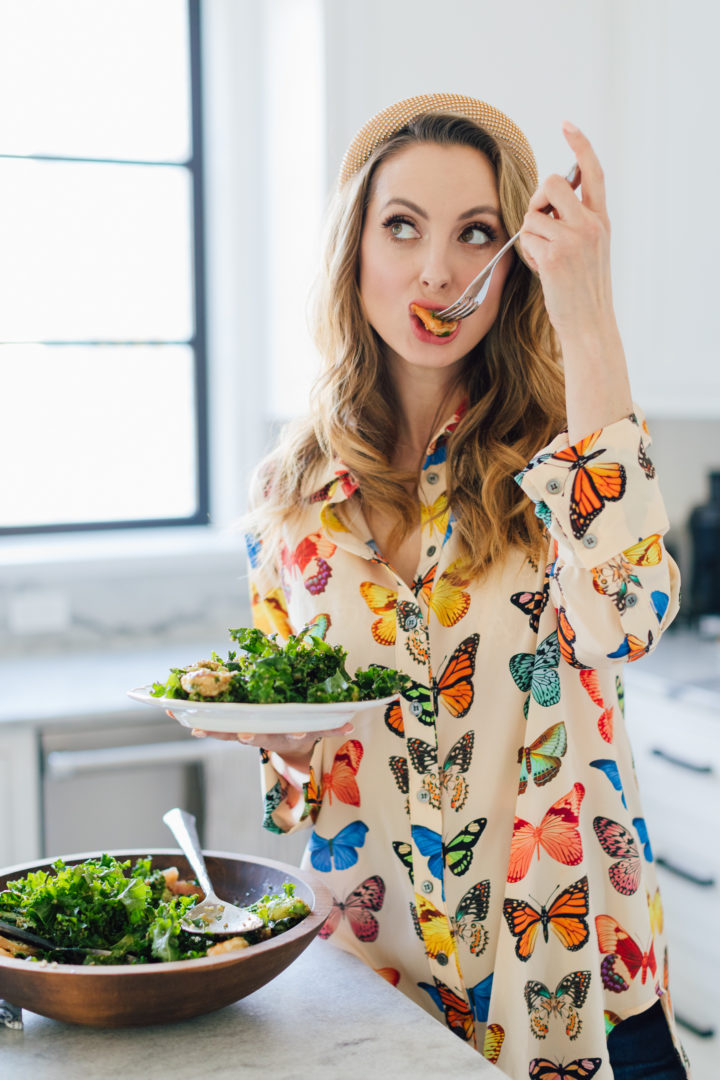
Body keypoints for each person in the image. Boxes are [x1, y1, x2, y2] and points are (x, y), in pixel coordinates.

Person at [199, 93, 688, 1079]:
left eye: (478, 234)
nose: (438, 271)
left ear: (513, 265)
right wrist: (287, 749)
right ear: (355, 247)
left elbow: (628, 622)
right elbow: (297, 749)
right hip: (370, 990)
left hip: (573, 984)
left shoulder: (567, 451)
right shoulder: (289, 498)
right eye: (402, 227)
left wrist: (585, 305)